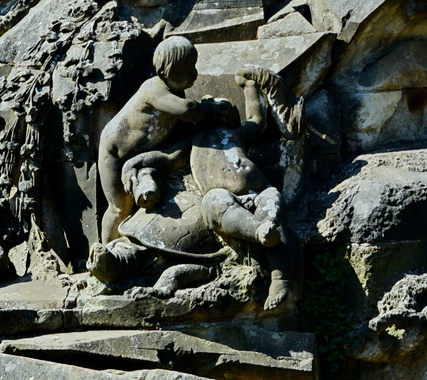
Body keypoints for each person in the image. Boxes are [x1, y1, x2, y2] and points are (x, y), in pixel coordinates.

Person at [188, 67, 293, 310]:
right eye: (209, 104)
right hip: (221, 195)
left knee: (272, 206)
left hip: (258, 190)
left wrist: (249, 86)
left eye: (223, 106)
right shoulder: (192, 140)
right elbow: (162, 157)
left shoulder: (236, 133)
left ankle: (280, 278)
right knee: (214, 202)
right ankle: (259, 232)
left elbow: (258, 119)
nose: (214, 105)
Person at [97, 36, 204, 243]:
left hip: (142, 153)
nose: (194, 75)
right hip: (114, 153)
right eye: (186, 71)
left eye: (194, 68)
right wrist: (211, 110)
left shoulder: (176, 89)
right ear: (165, 74)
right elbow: (188, 110)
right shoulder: (153, 89)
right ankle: (106, 251)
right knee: (119, 207)